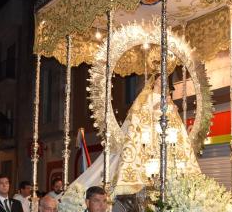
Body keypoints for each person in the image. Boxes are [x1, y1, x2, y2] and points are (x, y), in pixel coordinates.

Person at [66, 73, 201, 196]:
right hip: (150, 136)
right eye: (160, 79)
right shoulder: (147, 96)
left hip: (165, 138)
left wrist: (172, 109)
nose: (162, 81)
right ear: (154, 81)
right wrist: (156, 107)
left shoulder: (168, 99)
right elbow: (139, 115)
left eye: (164, 79)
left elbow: (173, 120)